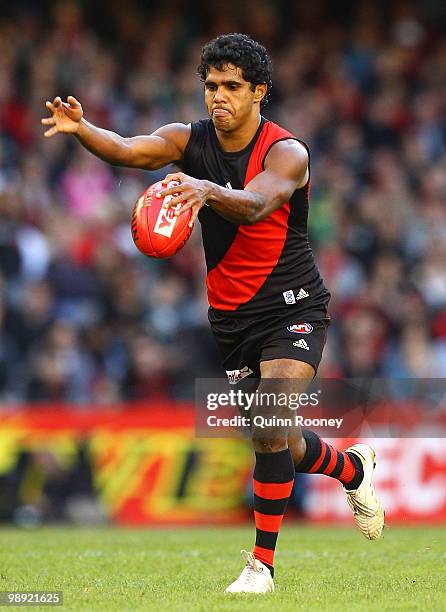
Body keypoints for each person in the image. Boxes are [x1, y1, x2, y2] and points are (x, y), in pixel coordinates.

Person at [42, 33, 384, 594]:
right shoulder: (189, 139)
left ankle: (261, 568)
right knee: (277, 438)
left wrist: (205, 187)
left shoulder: (287, 153)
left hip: (292, 303)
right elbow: (130, 150)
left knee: (270, 426)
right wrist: (84, 131)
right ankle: (353, 470)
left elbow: (254, 205)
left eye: (230, 87)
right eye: (210, 86)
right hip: (230, 317)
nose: (217, 97)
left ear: (258, 92)